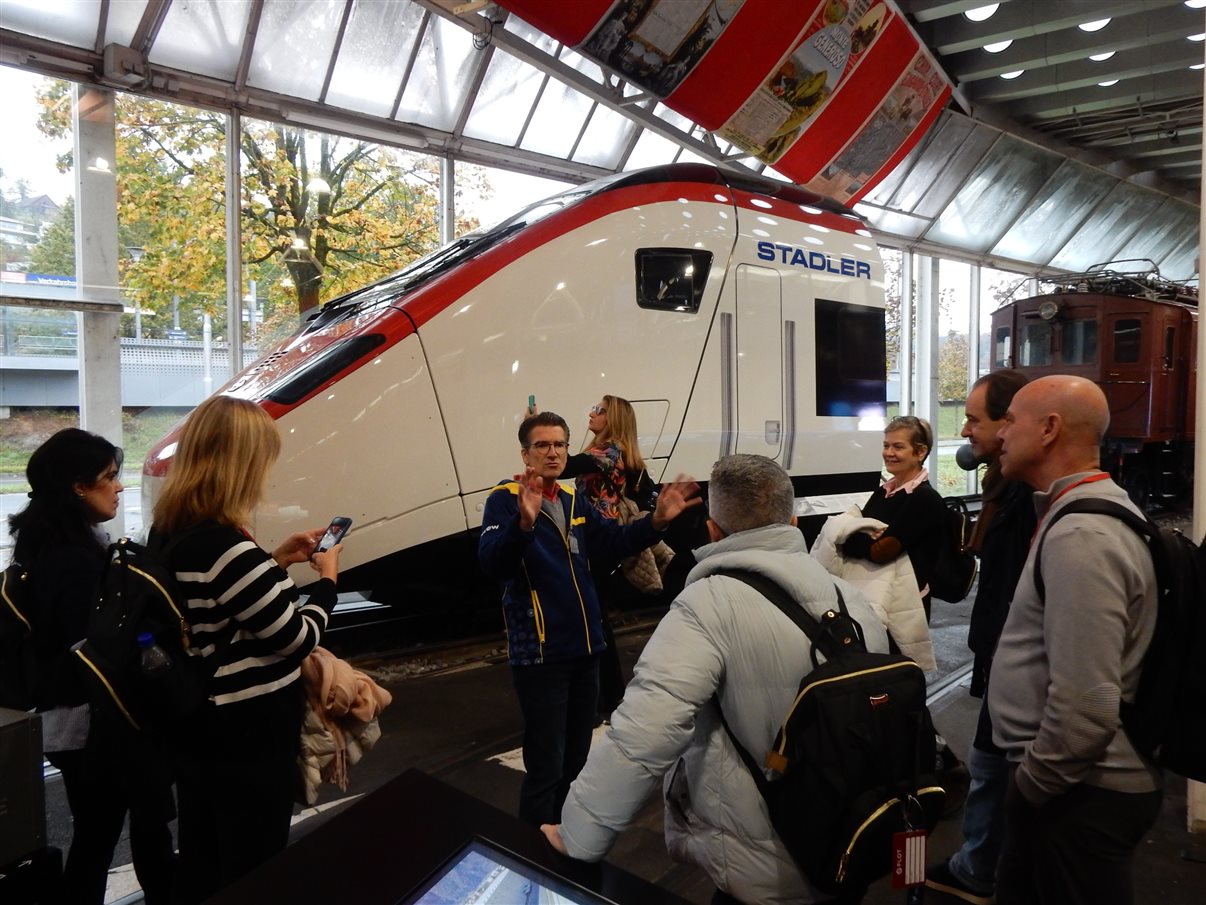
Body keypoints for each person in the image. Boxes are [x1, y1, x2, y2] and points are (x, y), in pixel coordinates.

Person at [541, 454, 889, 905]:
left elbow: (644, 732)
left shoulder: (705, 606)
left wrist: (579, 835)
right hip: (852, 843)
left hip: (769, 868)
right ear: (793, 520)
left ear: (712, 530)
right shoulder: (851, 601)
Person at [149, 395, 342, 904]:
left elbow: (222, 611)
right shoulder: (227, 546)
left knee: (205, 853)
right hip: (246, 735)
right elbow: (296, 638)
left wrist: (276, 559)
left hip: (199, 727)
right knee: (253, 862)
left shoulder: (169, 530)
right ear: (241, 463)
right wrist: (327, 581)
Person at [477, 410, 700, 828]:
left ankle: (565, 840)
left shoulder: (573, 500)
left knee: (577, 761)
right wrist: (522, 524)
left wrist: (655, 523)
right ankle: (534, 852)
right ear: (525, 454)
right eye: (542, 445)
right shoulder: (504, 500)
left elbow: (614, 541)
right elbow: (493, 564)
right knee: (547, 765)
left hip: (586, 649)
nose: (553, 452)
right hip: (541, 655)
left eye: (560, 444)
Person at [987, 375, 1162, 905]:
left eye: (1010, 419)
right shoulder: (1080, 514)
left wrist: (1029, 788)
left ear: (1049, 429)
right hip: (1074, 787)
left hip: (1080, 793)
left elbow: (1087, 708)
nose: (999, 434)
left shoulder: (1083, 536)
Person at [7, 429, 176, 905]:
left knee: (106, 831)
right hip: (96, 721)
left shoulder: (48, 543)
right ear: (77, 487)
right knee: (122, 830)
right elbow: (100, 643)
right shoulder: (72, 559)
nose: (119, 486)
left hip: (73, 720)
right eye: (109, 477)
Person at [926, 370, 1033, 905]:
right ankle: (980, 861)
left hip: (1014, 657)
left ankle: (983, 868)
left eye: (973, 418)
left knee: (996, 765)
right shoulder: (1003, 487)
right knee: (990, 763)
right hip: (1000, 651)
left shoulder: (1022, 498)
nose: (964, 430)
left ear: (1009, 424)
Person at [560, 396, 659, 711]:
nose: (592, 412)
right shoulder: (610, 451)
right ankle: (608, 692)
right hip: (597, 538)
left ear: (614, 419)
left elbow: (568, 466)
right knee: (595, 613)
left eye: (600, 410)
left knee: (594, 614)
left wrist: (535, 435)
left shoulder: (611, 450)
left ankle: (607, 693)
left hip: (600, 540)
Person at [840, 414, 948, 620]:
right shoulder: (883, 492)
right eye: (886, 445)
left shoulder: (924, 499)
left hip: (905, 603)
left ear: (921, 452)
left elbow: (880, 552)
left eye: (898, 447)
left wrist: (849, 539)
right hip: (876, 593)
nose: (889, 453)